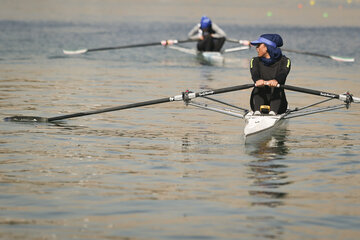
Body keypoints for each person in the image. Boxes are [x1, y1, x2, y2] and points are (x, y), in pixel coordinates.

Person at [249, 34, 291, 115]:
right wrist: (257, 80)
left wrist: (276, 81)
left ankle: (273, 112)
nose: (256, 48)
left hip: (279, 103)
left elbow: (283, 73)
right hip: (257, 101)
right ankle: (257, 113)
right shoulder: (255, 61)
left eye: (258, 45)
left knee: (276, 88)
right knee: (258, 87)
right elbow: (254, 73)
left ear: (267, 47)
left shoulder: (285, 61)